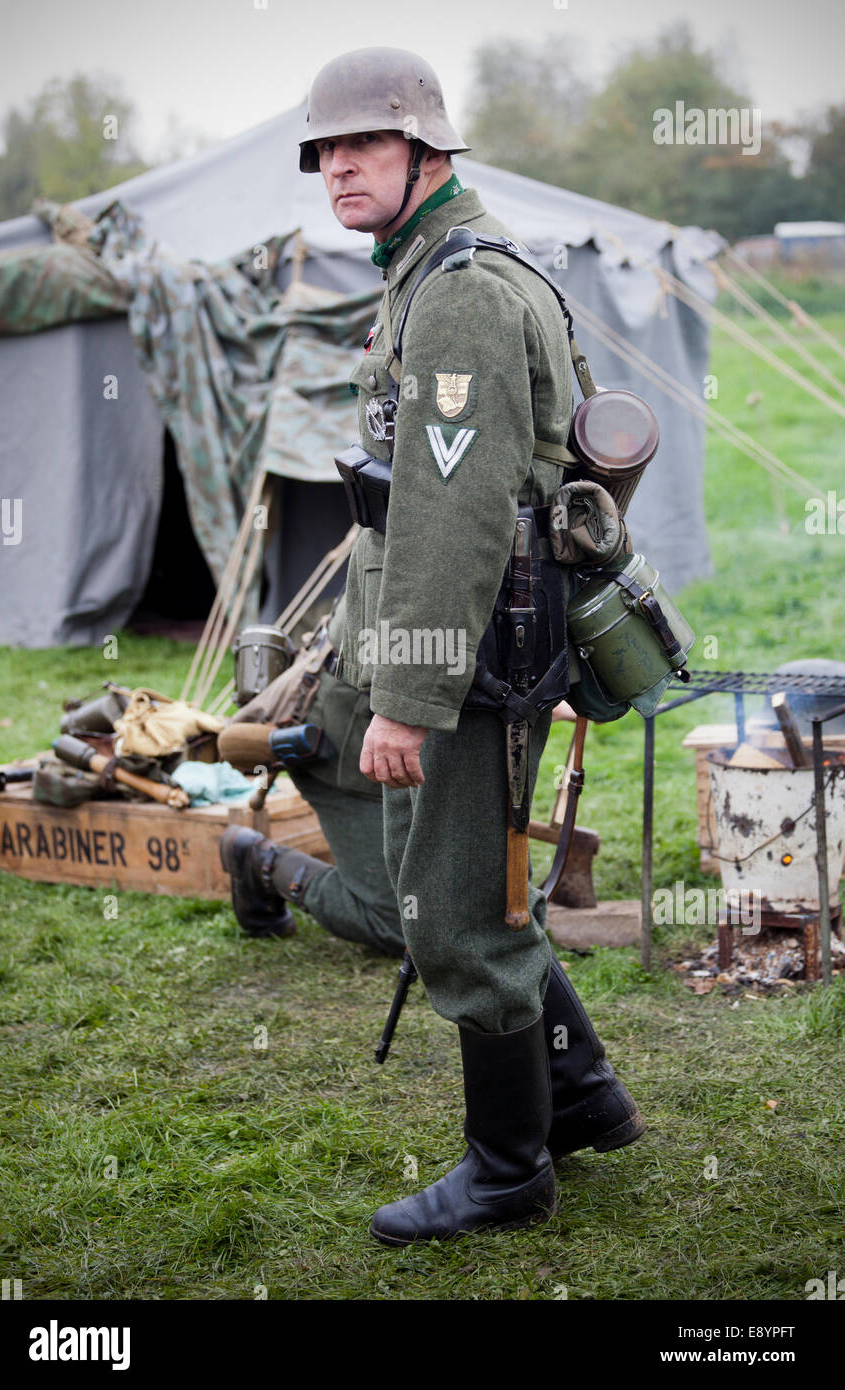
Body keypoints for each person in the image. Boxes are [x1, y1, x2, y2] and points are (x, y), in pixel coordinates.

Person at [255, 46, 644, 1247]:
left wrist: (408, 698)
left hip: (470, 647)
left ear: (425, 150)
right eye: (325, 152)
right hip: (470, 635)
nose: (337, 170)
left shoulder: (463, 285)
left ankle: (505, 1170)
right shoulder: (433, 267)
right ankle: (578, 1095)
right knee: (479, 889)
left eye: (363, 147)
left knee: (453, 914)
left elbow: (455, 510)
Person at [220, 595, 405, 958]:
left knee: (469, 908)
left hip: (397, 731)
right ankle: (259, 861)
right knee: (400, 925)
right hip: (345, 745)